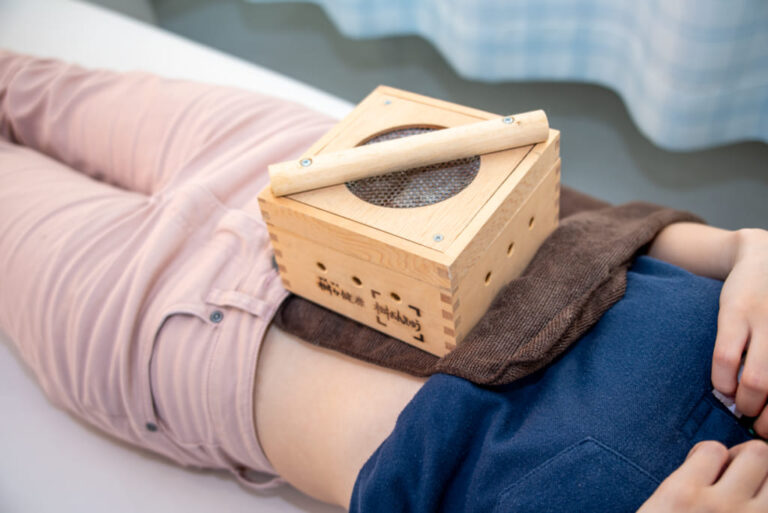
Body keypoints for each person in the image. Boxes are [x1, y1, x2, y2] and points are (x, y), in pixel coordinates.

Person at [0, 50, 766, 512]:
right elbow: (660, 243)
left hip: (189, 330)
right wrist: (745, 248)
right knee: (25, 81)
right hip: (328, 165)